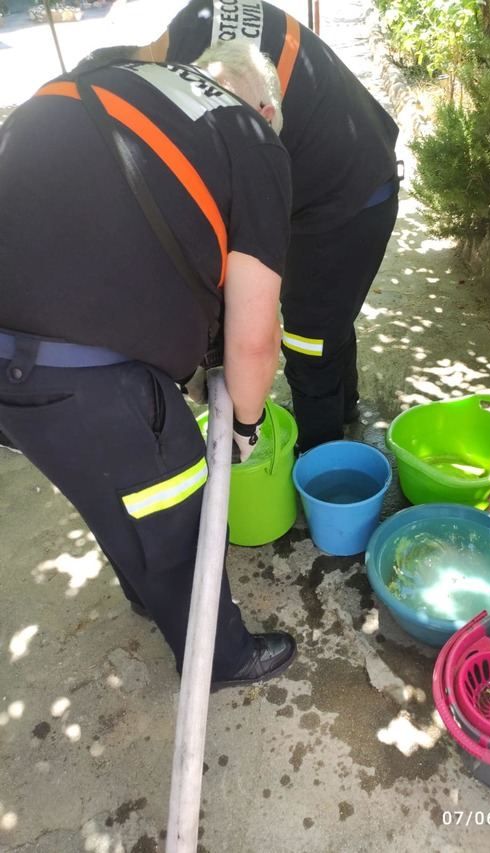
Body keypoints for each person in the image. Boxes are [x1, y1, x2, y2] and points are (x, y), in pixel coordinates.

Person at [0, 43, 296, 688]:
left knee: (105, 487)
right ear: (268, 107)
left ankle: (147, 594)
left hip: (14, 369)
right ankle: (222, 658)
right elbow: (253, 338)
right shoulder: (255, 141)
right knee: (176, 515)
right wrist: (245, 424)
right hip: (90, 380)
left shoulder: (105, 77)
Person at [120, 0, 401, 451]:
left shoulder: (200, 101)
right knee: (327, 322)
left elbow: (237, 242)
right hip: (358, 161)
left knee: (309, 342)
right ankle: (343, 412)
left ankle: (321, 458)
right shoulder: (200, 22)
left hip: (344, 199)